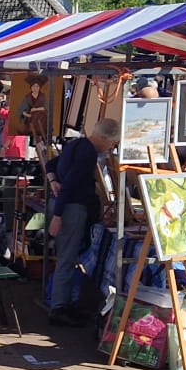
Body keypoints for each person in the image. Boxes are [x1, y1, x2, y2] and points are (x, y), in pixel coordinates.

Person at [46, 118, 115, 326]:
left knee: (68, 255)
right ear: (103, 138)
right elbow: (70, 184)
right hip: (71, 208)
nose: (113, 146)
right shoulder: (87, 153)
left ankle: (65, 303)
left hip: (65, 205)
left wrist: (52, 180)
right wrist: (57, 216)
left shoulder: (75, 144)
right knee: (67, 257)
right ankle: (59, 308)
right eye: (112, 142)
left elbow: (51, 164)